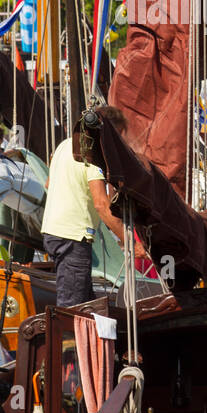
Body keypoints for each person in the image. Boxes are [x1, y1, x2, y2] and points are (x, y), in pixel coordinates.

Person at [41, 108, 127, 307]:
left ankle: (93, 336)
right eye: (119, 137)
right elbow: (101, 204)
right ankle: (66, 337)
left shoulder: (65, 145)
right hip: (72, 237)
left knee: (87, 303)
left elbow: (48, 183)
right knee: (71, 307)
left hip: (53, 232)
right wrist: (130, 242)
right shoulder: (92, 157)